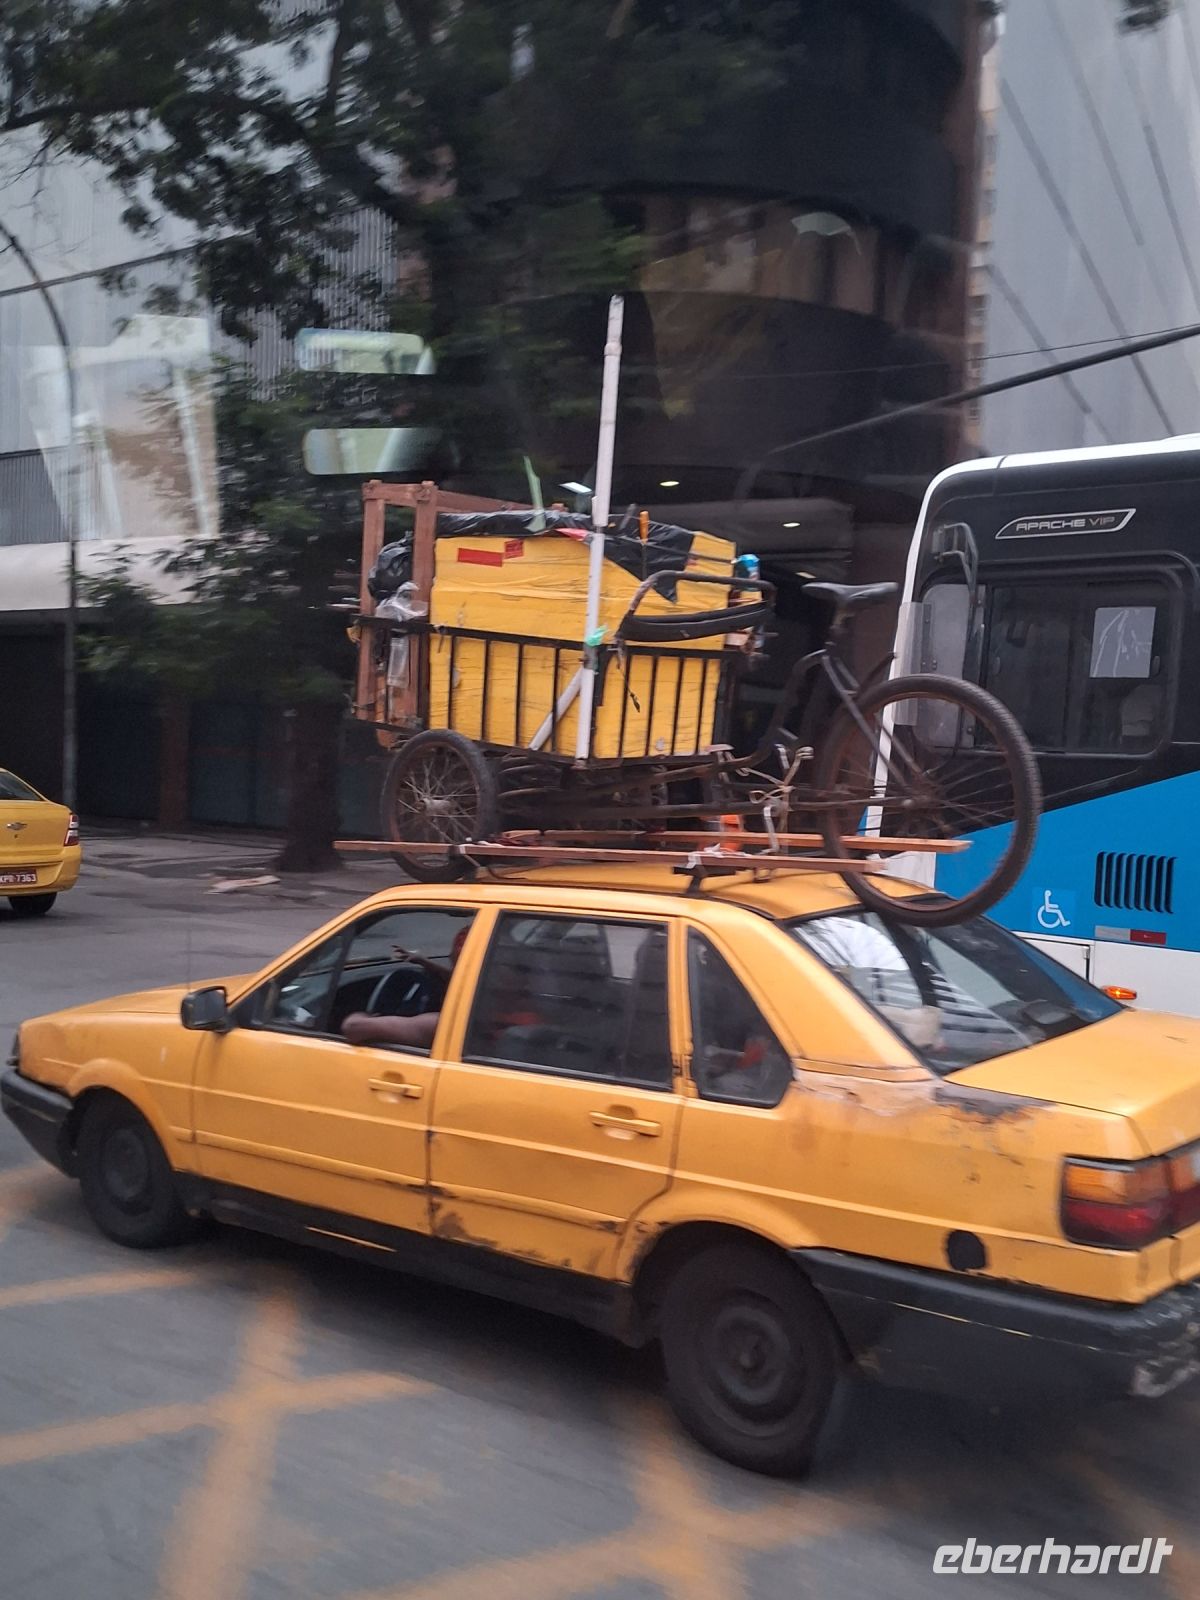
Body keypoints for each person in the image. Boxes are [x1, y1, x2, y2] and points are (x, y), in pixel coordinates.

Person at [341, 926, 470, 1050]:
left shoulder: (441, 1025)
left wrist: (364, 1015)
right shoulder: (475, 1015)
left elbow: (353, 1027)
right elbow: (461, 981)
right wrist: (426, 963)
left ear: (460, 941)